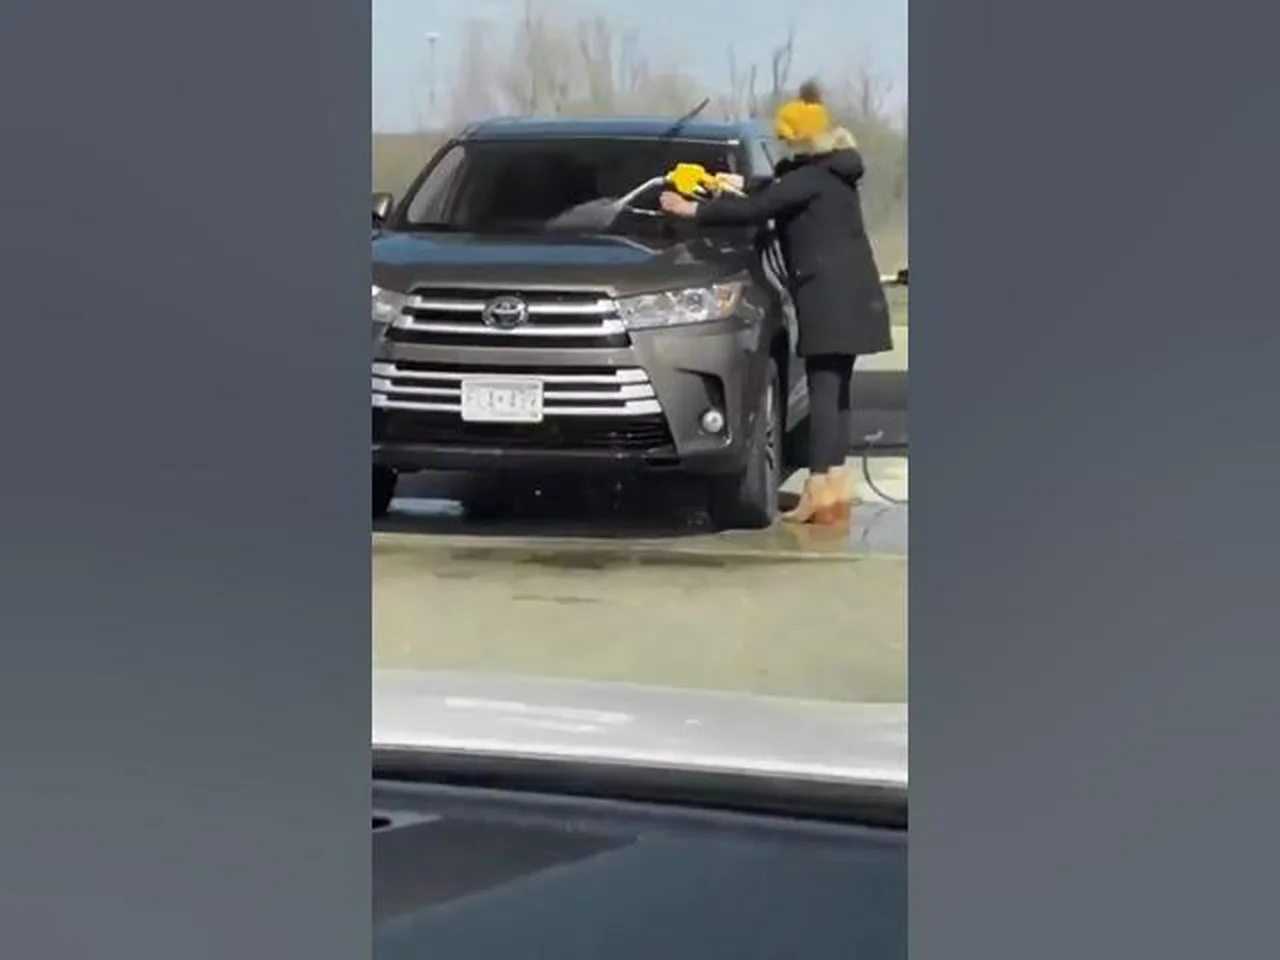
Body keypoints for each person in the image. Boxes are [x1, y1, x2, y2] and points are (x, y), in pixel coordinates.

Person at [659, 89, 894, 526]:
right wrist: (729, 184)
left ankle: (818, 490)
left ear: (800, 140)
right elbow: (773, 190)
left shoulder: (808, 180)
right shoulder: (830, 172)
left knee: (824, 395)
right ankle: (835, 489)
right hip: (853, 295)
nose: (782, 145)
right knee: (836, 392)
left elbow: (758, 208)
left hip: (828, 297)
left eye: (786, 139)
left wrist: (692, 210)